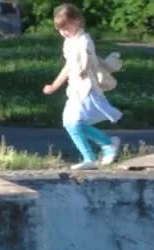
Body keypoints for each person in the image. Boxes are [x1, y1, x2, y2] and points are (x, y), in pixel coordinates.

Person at [43, 3, 123, 170]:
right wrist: (54, 85)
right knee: (70, 124)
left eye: (67, 27)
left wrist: (85, 70)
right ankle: (106, 145)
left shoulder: (84, 39)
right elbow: (68, 66)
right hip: (75, 90)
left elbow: (86, 56)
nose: (64, 32)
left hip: (87, 88)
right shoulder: (68, 43)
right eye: (60, 29)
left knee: (72, 123)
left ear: (78, 21)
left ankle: (94, 155)